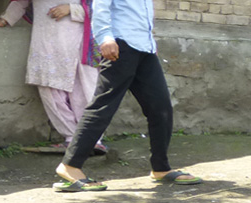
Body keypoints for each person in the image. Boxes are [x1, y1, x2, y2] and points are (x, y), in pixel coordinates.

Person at [52, 0, 202, 192]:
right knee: (104, 106)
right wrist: (105, 38)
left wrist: (150, 42)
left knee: (161, 107)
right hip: (120, 46)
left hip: (145, 49)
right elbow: (100, 7)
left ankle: (161, 168)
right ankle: (70, 166)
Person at [0, 0, 107, 154]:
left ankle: (93, 139)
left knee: (81, 91)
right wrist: (5, 20)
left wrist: (72, 9)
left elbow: (103, 9)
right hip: (45, 43)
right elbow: (21, 2)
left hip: (78, 44)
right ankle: (71, 138)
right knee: (49, 89)